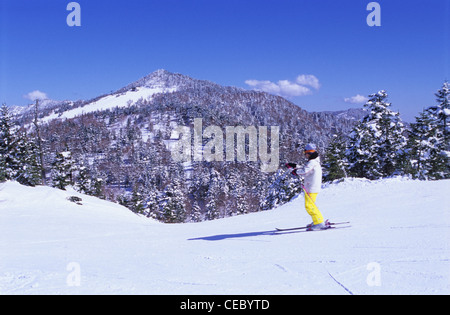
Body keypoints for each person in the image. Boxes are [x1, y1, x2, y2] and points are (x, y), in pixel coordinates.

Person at [287, 144, 328, 231]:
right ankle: (317, 220)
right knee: (311, 205)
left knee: (309, 206)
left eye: (305, 153)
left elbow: (305, 171)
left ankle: (319, 222)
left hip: (311, 187)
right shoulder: (314, 162)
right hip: (312, 186)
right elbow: (306, 168)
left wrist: (295, 172)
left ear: (309, 153)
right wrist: (295, 166)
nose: (305, 155)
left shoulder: (312, 162)